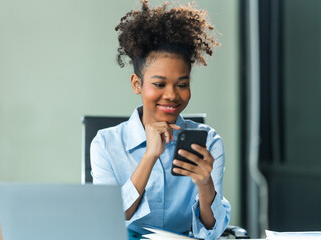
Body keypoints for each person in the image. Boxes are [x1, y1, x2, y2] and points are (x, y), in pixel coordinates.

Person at [90, 1, 231, 239]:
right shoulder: (105, 144)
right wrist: (149, 156)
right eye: (159, 84)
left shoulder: (210, 143)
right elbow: (108, 221)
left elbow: (213, 233)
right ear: (137, 84)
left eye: (182, 85)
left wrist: (205, 184)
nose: (172, 95)